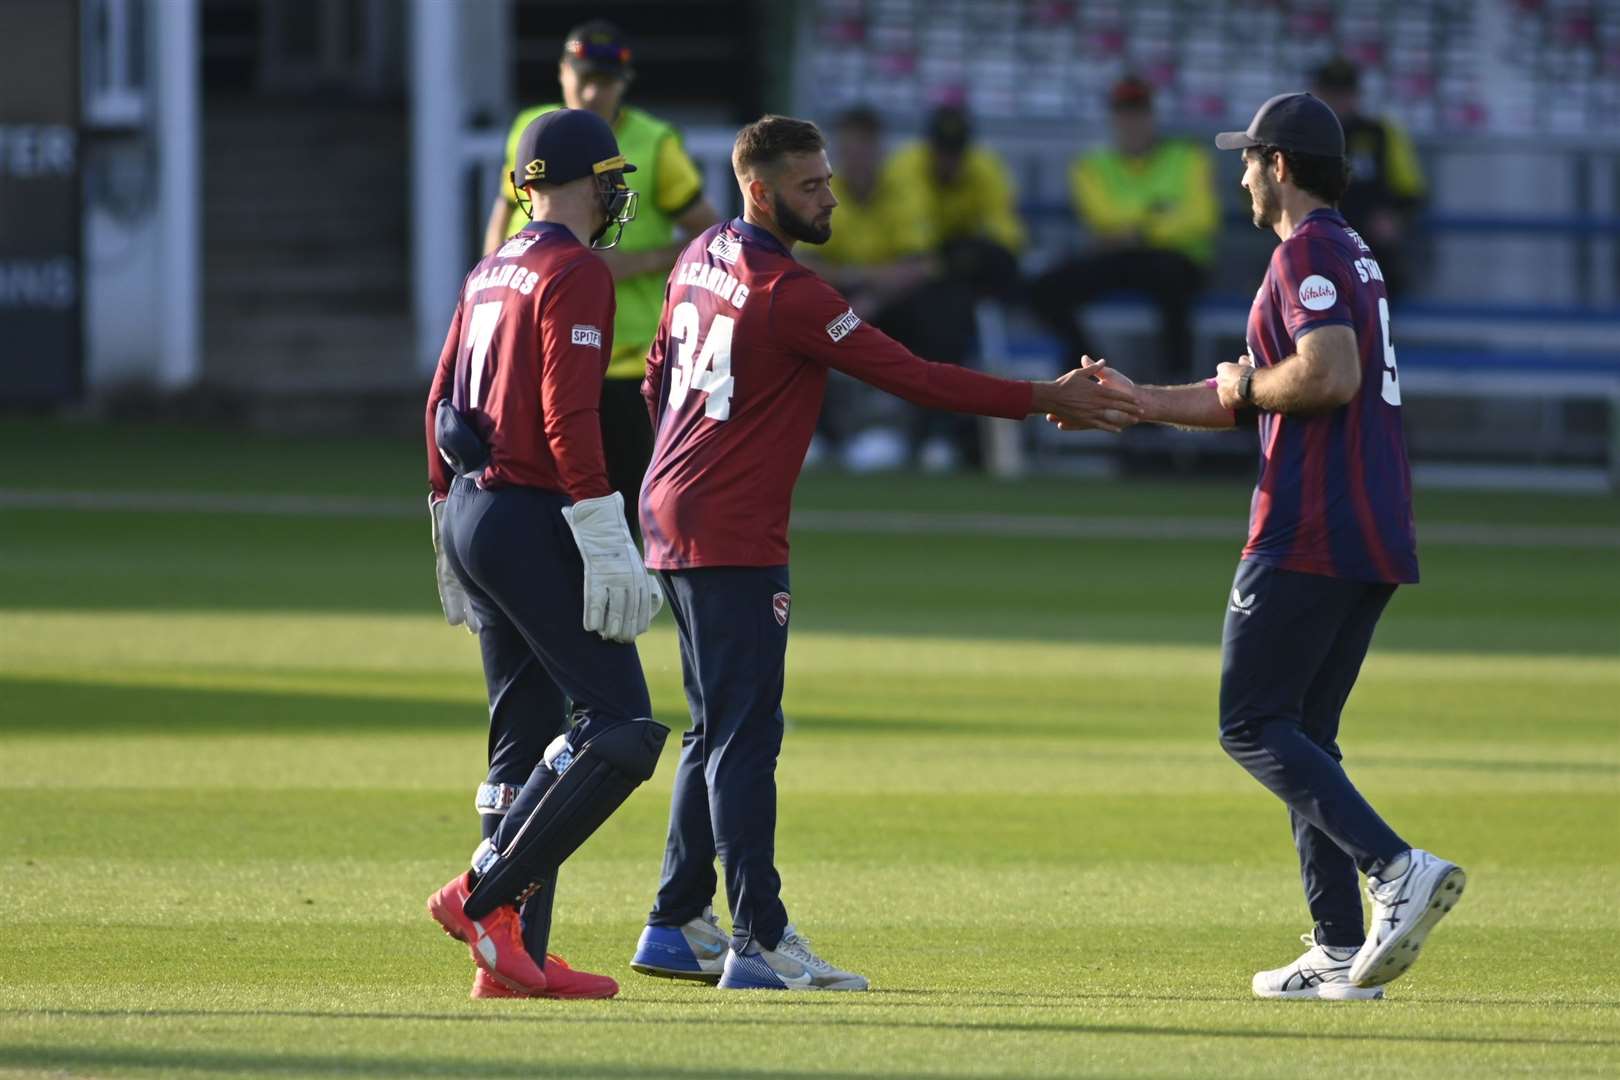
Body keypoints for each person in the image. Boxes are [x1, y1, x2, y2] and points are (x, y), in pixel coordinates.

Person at [625, 114, 1140, 991]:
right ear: (761, 188)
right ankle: (758, 942)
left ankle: (676, 922)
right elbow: (916, 376)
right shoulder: (794, 293)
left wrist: (680, 467)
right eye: (811, 184)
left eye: (827, 179)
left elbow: (653, 373)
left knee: (713, 727)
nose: (829, 197)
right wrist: (1044, 395)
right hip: (730, 532)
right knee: (747, 736)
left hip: (669, 512)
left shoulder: (700, 251)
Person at [1050, 92, 1465, 1001]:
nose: (1237, 174)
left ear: (1279, 165)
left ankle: (1395, 868)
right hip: (1371, 521)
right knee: (1305, 734)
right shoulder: (1349, 249)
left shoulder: (1309, 251)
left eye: (1247, 160)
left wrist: (1242, 385)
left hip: (1310, 521)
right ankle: (1335, 947)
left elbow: (1326, 374)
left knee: (1250, 723)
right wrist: (1141, 402)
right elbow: (1259, 387)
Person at [424, 108, 669, 1001]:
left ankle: (511, 958)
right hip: (530, 510)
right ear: (581, 181)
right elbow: (568, 417)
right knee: (621, 723)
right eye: (610, 179)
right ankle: (484, 901)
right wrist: (603, 530)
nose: (616, 196)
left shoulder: (490, 267)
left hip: (470, 505)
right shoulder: (576, 270)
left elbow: (438, 398)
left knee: (521, 736)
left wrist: (440, 515)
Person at [484, 19, 721, 534]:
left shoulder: (654, 142)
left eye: (607, 80)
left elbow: (712, 238)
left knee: (621, 513)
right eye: (584, 76)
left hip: (625, 362)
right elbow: (504, 216)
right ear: (563, 73)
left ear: (624, 82)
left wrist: (633, 263)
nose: (594, 91)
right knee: (533, 505)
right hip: (534, 356)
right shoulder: (534, 127)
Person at [800, 105, 976, 466]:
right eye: (850, 148)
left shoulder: (906, 191)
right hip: (839, 298)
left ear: (879, 150)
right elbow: (804, 262)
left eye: (866, 147)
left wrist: (871, 294)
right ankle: (814, 431)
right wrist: (858, 284)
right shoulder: (818, 193)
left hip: (893, 301)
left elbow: (922, 264)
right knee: (790, 308)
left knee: (945, 312)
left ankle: (935, 435)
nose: (858, 157)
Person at [1028, 75, 1219, 381]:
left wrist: (1135, 229)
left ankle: (1177, 388)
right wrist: (1161, 212)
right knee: (1045, 289)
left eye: (1139, 112)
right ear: (1114, 119)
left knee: (1172, 282)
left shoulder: (1187, 157)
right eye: (1124, 113)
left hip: (1172, 259)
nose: (1132, 122)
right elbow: (1101, 217)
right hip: (1124, 257)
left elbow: (1201, 217)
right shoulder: (1092, 164)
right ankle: (1094, 375)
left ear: (1152, 116)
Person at [877, 103, 1028, 467]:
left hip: (956, 282)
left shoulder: (984, 169)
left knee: (953, 308)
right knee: (941, 314)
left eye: (956, 151)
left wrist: (951, 258)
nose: (949, 160)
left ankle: (940, 430)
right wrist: (955, 256)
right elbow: (916, 248)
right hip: (909, 282)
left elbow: (1007, 242)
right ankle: (934, 429)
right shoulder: (907, 168)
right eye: (943, 151)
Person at [1312, 57, 1427, 302]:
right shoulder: (1295, 135)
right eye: (1330, 93)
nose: (1338, 101)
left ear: (1356, 95)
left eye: (1344, 93)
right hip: (1312, 251)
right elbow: (1262, 194)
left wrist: (1394, 218)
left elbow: (1412, 192)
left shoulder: (1381, 134)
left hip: (1369, 253)